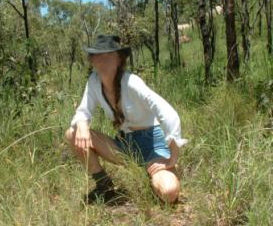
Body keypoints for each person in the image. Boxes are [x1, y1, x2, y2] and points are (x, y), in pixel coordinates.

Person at [64, 34, 188, 205]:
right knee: (73, 133)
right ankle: (104, 185)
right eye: (97, 56)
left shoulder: (131, 82)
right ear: (91, 60)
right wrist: (83, 125)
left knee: (169, 192)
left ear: (119, 60)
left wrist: (173, 156)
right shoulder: (93, 81)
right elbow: (82, 111)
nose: (102, 61)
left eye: (108, 56)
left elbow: (166, 112)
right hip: (125, 146)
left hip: (152, 143)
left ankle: (154, 173)